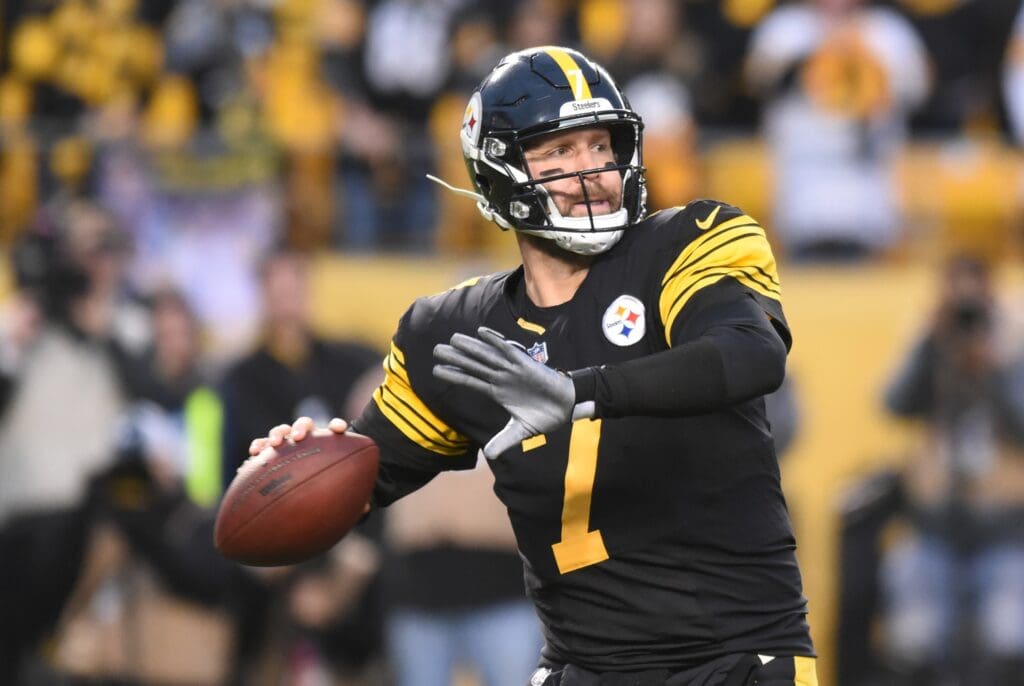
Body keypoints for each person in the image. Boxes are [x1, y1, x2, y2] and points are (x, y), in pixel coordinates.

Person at [247, 46, 816, 685]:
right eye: (559, 153)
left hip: (734, 661)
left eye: (601, 147)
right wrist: (301, 464)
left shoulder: (690, 242)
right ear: (498, 173)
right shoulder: (455, 331)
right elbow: (365, 476)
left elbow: (750, 354)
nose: (591, 171)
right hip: (585, 668)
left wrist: (580, 393)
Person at [879, 254, 1024, 685]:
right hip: (932, 534)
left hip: (1005, 536)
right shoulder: (930, 344)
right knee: (912, 642)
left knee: (1009, 641)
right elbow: (893, 403)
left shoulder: (1014, 345)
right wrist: (929, 340)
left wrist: (997, 368)